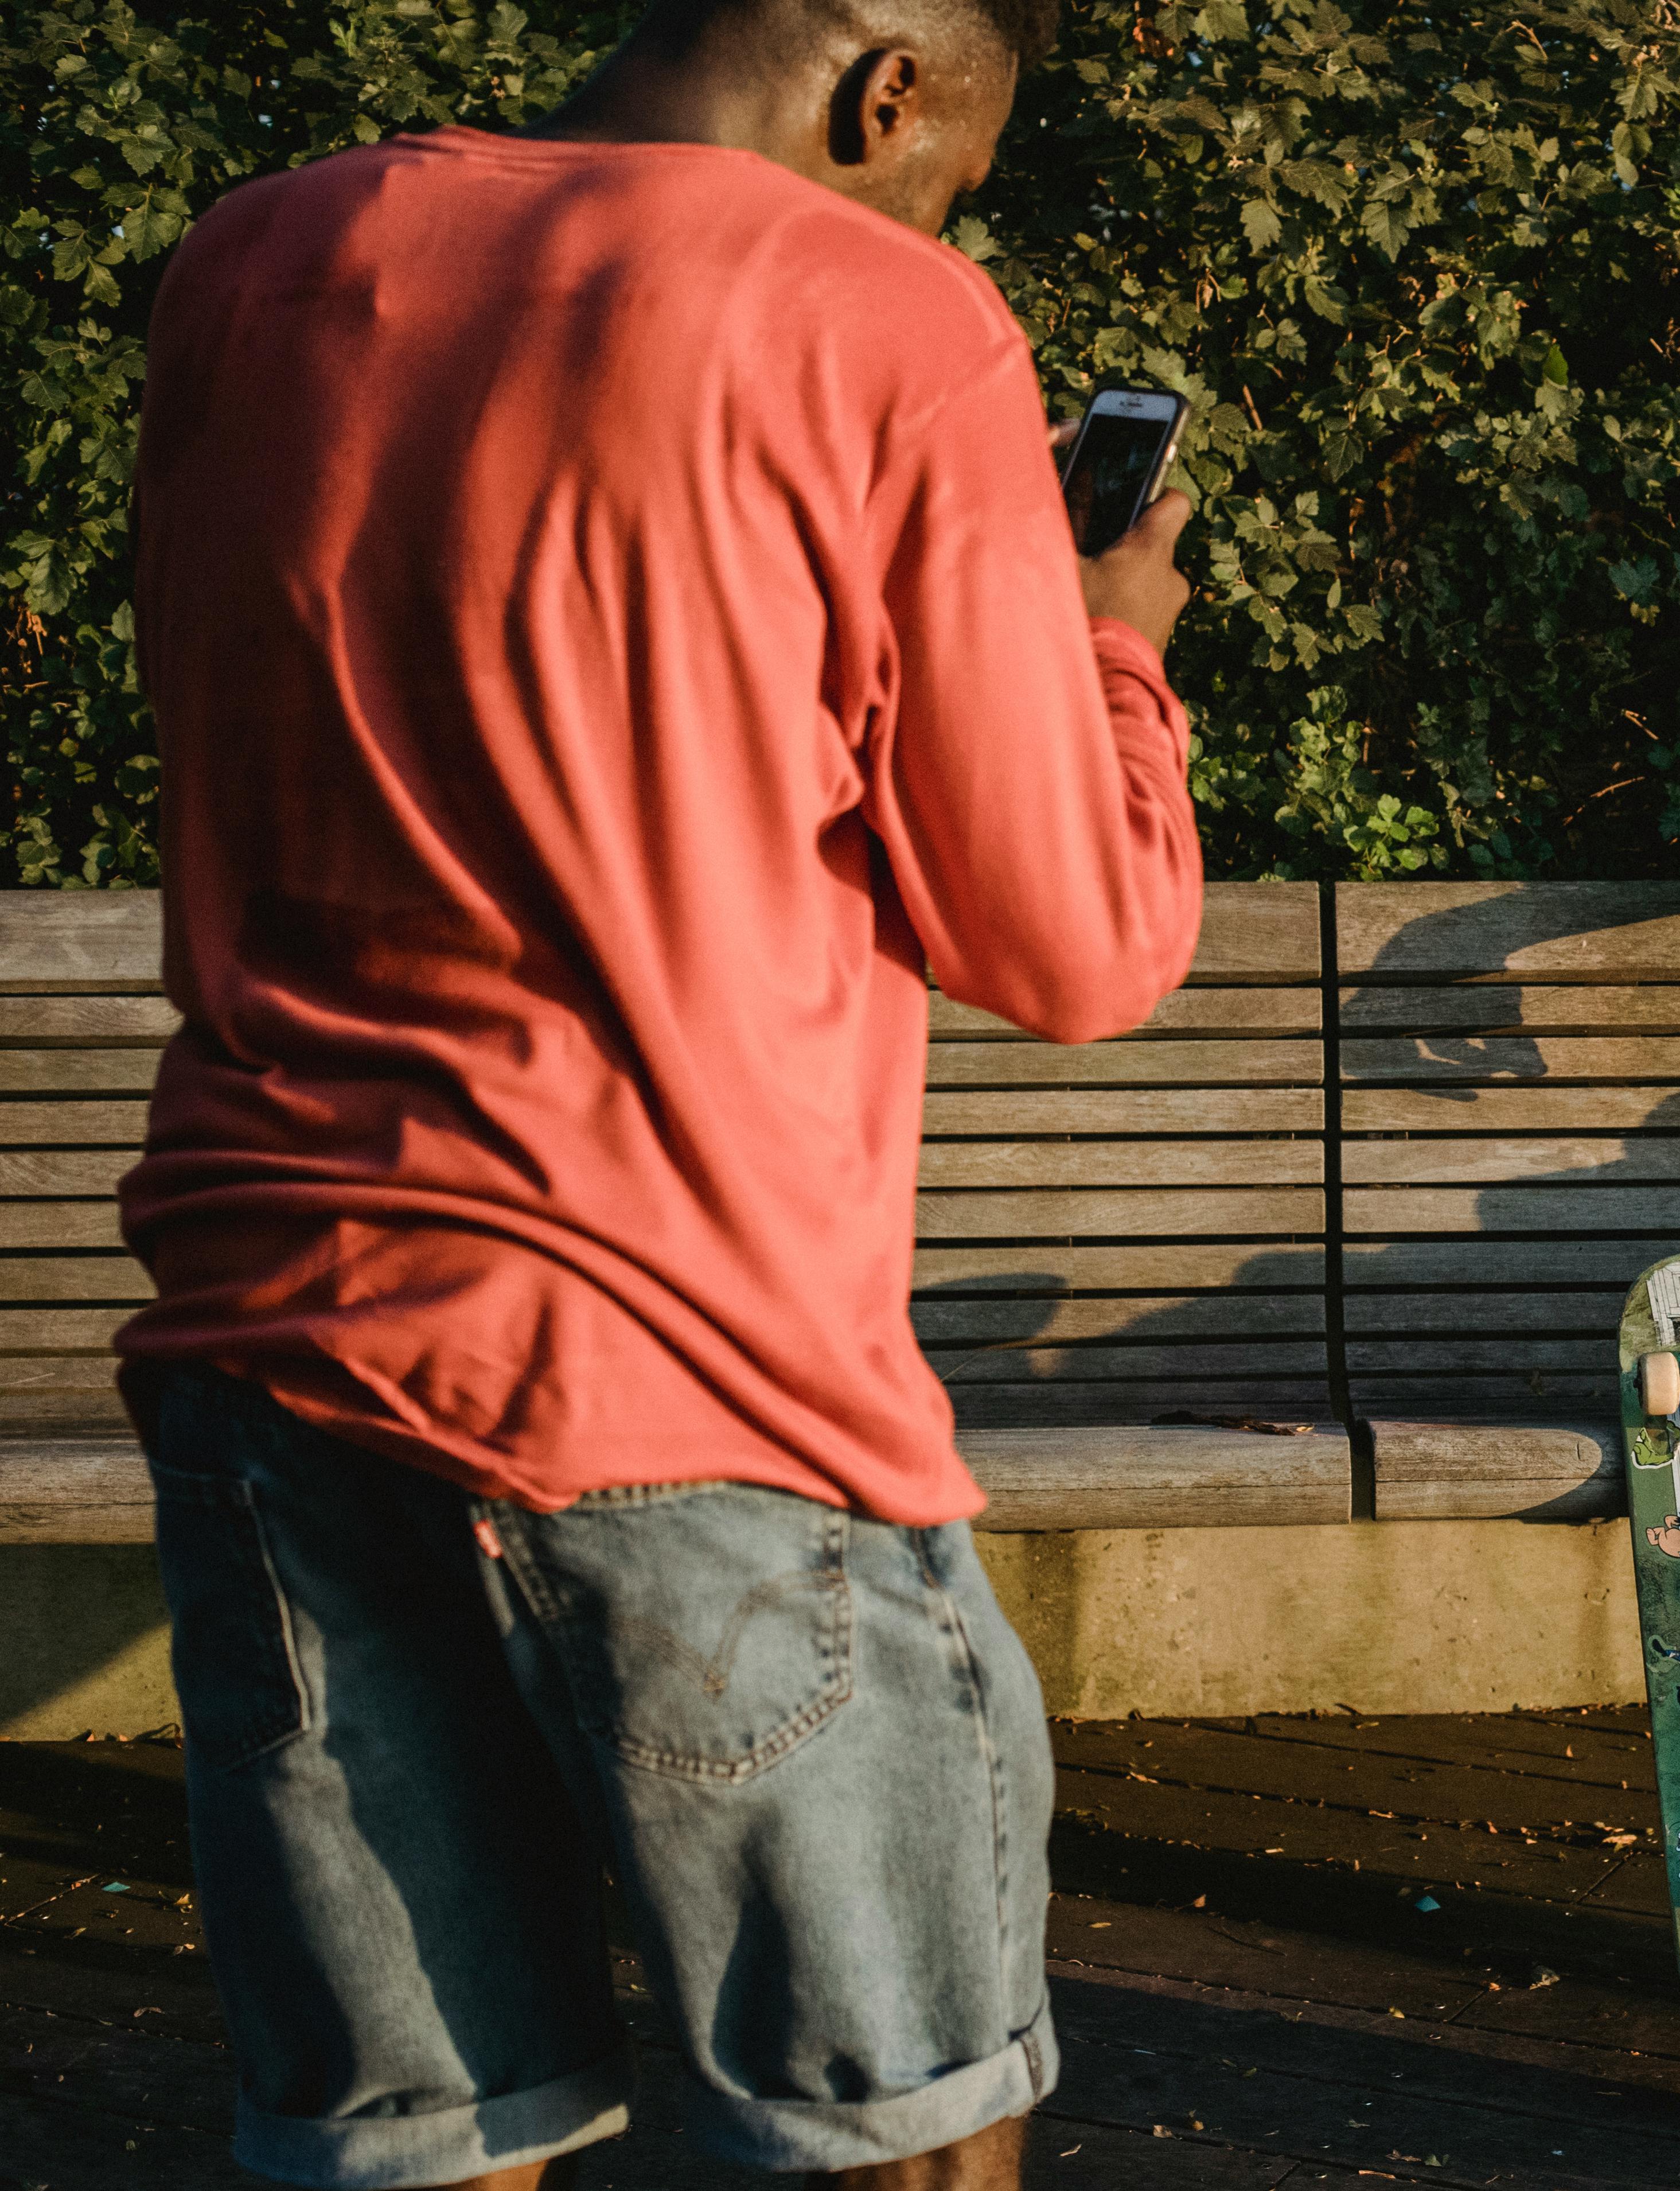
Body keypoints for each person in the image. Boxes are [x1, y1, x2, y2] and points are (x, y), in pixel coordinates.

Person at [118, 0, 1202, 2182]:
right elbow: (1075, 944)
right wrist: (1115, 644)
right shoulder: (890, 319)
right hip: (697, 1391)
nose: (935, 216)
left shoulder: (250, 267)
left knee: (412, 2142)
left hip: (276, 1348)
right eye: (947, 172)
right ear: (887, 87)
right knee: (890, 2134)